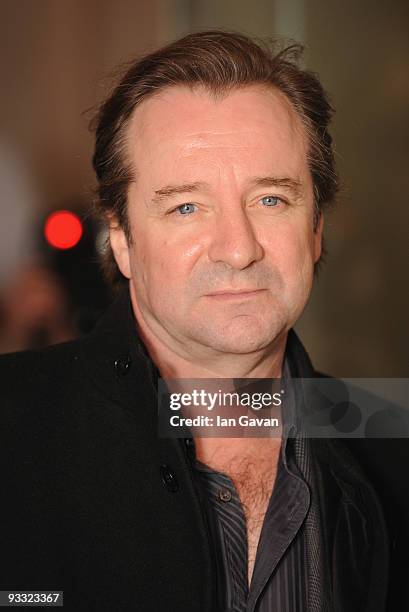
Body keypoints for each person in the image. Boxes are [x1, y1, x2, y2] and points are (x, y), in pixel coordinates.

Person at [0, 31, 407, 612]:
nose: (238, 249)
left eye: (271, 199)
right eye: (186, 206)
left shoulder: (391, 449)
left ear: (315, 227)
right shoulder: (14, 430)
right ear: (121, 238)